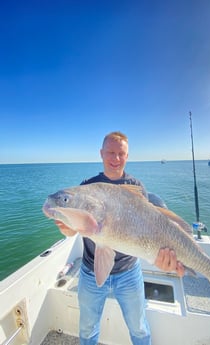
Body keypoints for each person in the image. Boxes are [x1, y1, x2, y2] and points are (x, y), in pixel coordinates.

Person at [55, 131, 184, 345]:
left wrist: (163, 258)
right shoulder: (87, 187)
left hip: (129, 272)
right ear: (101, 153)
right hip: (90, 270)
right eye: (110, 153)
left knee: (139, 328)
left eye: (121, 154)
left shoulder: (137, 187)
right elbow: (72, 231)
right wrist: (64, 227)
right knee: (87, 329)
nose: (115, 159)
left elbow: (148, 230)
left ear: (127, 155)